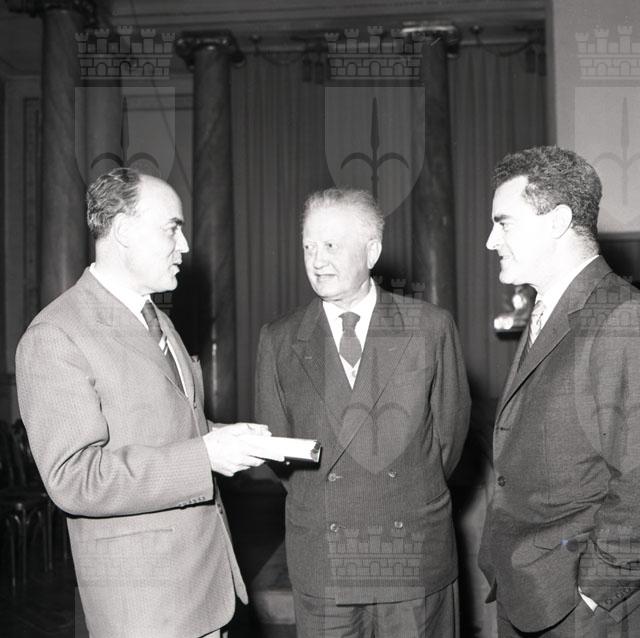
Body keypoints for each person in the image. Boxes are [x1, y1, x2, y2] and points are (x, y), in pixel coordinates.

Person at [15, 168, 280, 638]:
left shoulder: (154, 316)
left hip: (203, 588)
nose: (186, 246)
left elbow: (167, 424)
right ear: (123, 230)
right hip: (145, 606)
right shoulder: (56, 334)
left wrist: (224, 437)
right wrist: (204, 456)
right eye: (172, 229)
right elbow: (74, 478)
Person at [255, 188, 470, 637]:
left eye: (331, 245)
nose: (317, 260)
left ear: (372, 251)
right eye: (308, 247)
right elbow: (281, 455)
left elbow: (448, 441)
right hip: (324, 562)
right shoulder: (279, 339)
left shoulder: (429, 327)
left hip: (410, 554)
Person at [479, 146, 640, 637]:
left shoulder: (622, 316)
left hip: (580, 605)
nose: (491, 240)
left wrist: (594, 590)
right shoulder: (553, 306)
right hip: (529, 588)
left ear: (557, 221)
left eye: (503, 223)